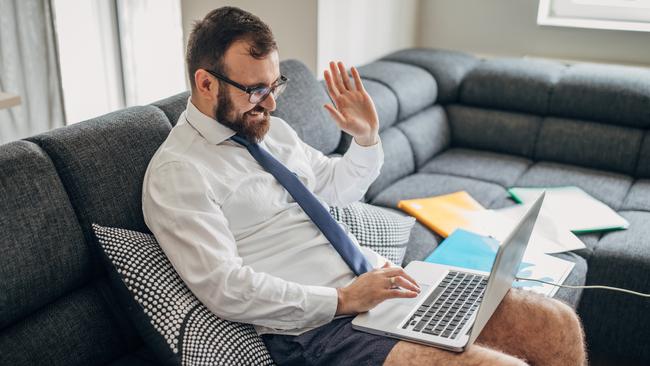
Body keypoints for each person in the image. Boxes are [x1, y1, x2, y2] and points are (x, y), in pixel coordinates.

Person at [142, 6, 587, 366]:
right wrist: (342, 299)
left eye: (275, 84)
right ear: (205, 83)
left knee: (556, 323)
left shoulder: (269, 131)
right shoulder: (179, 173)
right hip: (317, 329)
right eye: (257, 90)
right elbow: (225, 287)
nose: (273, 102)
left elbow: (332, 189)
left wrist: (366, 137)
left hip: (382, 283)